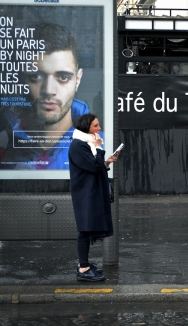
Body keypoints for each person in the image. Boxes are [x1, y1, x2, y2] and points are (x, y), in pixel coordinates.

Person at [0, 23, 89, 169]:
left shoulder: (97, 143)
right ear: (23, 78)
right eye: (36, 76)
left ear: (78, 79)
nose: (49, 90)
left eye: (63, 77)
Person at [69, 113, 119, 282]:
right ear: (86, 127)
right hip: (85, 194)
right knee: (85, 229)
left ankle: (85, 265)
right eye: (96, 126)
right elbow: (92, 166)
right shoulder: (79, 145)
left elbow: (95, 167)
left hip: (91, 192)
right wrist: (98, 148)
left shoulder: (85, 144)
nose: (99, 129)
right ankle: (83, 268)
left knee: (88, 229)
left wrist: (107, 163)